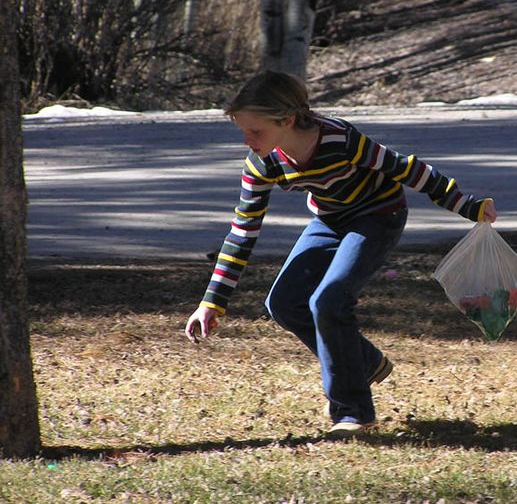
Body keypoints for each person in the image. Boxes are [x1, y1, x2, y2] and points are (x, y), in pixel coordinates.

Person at [185, 71, 497, 439]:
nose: (247, 140)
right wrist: (211, 304)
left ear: (286, 120)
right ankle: (363, 362)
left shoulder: (340, 139)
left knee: (329, 301)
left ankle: (353, 413)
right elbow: (242, 232)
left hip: (378, 216)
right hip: (330, 219)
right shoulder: (263, 163)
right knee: (283, 303)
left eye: (255, 131)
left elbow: (409, 170)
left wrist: (467, 206)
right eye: (243, 131)